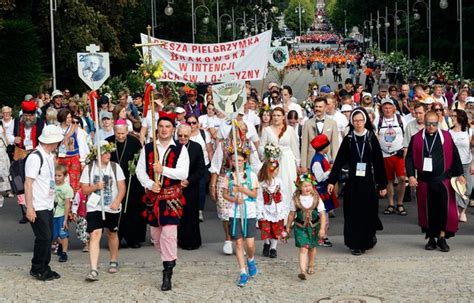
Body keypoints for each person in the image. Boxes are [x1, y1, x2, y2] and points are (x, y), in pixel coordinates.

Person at [136, 113, 189, 291]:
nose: (164, 130)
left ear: (173, 129)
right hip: (154, 197)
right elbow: (140, 171)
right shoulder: (148, 148)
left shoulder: (181, 149)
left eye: (168, 127)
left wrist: (163, 169)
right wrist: (150, 183)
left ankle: (167, 272)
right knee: (156, 237)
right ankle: (170, 258)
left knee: (169, 234)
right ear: (156, 128)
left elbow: (182, 173)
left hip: (172, 198)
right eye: (161, 126)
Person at [328, 108, 388, 255]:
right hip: (353, 182)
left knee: (367, 211)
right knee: (353, 212)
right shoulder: (349, 139)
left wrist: (382, 184)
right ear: (352, 122)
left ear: (365, 121)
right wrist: (332, 180)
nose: (358, 123)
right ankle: (355, 243)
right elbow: (339, 161)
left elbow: (379, 162)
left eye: (360, 120)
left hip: (368, 181)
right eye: (355, 121)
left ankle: (367, 239)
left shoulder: (371, 137)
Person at [405, 111, 465, 252]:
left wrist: (460, 173)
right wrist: (411, 176)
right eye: (428, 124)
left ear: (438, 122)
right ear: (424, 123)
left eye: (434, 123)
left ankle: (442, 238)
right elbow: (409, 158)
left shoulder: (446, 136)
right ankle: (431, 239)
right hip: (425, 181)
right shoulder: (417, 138)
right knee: (428, 211)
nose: (431, 126)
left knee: (444, 210)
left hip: (443, 180)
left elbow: (455, 155)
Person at [209, 121, 261, 255]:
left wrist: (255, 179)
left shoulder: (248, 145)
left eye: (244, 129)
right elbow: (216, 164)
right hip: (226, 178)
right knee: (226, 213)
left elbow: (255, 164)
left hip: (244, 180)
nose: (241, 132)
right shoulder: (224, 144)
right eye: (239, 129)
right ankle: (227, 240)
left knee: (241, 212)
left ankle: (240, 241)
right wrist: (213, 184)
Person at [80, 140, 126, 281]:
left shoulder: (115, 167)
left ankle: (113, 259)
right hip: (95, 206)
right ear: (98, 154)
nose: (108, 155)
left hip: (111, 206)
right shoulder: (89, 168)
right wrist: (95, 187)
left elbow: (122, 187)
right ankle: (94, 269)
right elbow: (84, 189)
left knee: (112, 233)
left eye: (109, 152)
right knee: (95, 234)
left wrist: (117, 201)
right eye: (105, 152)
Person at [25, 125, 64, 281]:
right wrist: (29, 208)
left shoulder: (48, 156)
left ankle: (44, 266)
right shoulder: (35, 157)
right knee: (44, 237)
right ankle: (38, 268)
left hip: (47, 203)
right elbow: (28, 183)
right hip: (37, 204)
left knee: (47, 237)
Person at [222, 151, 259, 287]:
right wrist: (234, 199)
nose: (237, 163)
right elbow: (225, 194)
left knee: (249, 244)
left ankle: (251, 259)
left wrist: (243, 190)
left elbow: (254, 194)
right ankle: (243, 272)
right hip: (234, 211)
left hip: (249, 211)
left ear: (244, 161)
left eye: (240, 160)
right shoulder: (228, 176)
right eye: (234, 161)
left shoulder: (251, 175)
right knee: (238, 243)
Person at [106, 119, 145, 248]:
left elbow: (140, 162)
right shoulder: (108, 142)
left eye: (123, 133)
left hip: (131, 182)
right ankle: (115, 238)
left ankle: (133, 238)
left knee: (132, 210)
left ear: (127, 131)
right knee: (115, 210)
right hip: (113, 181)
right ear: (114, 132)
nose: (121, 136)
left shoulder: (134, 142)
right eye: (118, 134)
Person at [259, 107, 300, 220]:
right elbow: (261, 146)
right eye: (274, 115)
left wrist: (298, 164)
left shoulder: (290, 129)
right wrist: (268, 152)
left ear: (283, 117)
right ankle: (274, 214)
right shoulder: (266, 130)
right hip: (272, 161)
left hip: (287, 161)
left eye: (278, 115)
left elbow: (295, 147)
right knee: (273, 185)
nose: (276, 118)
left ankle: (290, 216)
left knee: (288, 185)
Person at [286, 172, 326, 280]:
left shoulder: (317, 198)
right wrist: (288, 227)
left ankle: (311, 265)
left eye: (309, 185)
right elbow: (291, 214)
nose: (307, 188)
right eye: (305, 186)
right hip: (300, 226)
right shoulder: (296, 199)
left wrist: (322, 228)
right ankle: (302, 271)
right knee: (303, 248)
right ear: (300, 187)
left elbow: (322, 214)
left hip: (314, 226)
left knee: (312, 248)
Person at [374, 98, 408, 216]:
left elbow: (407, 135)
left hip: (398, 154)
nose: (387, 109)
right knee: (388, 180)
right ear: (382, 109)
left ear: (394, 108)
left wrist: (404, 149)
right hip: (384, 154)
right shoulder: (378, 120)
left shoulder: (400, 119)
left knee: (402, 178)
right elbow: (374, 135)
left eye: (389, 107)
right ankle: (391, 204)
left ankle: (400, 203)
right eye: (385, 107)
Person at [14, 100, 45, 224]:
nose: (28, 118)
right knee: (20, 183)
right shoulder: (17, 122)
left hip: (35, 154)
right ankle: (24, 211)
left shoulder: (41, 123)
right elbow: (10, 136)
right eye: (26, 115)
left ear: (34, 115)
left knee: (34, 182)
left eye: (30, 115)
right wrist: (13, 139)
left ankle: (35, 208)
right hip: (20, 153)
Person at [176, 124, 205, 249]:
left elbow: (200, 169)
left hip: (191, 186)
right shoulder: (173, 146)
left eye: (185, 136)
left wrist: (188, 180)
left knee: (190, 215)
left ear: (190, 135)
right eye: (180, 135)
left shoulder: (196, 147)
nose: (182, 138)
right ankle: (178, 240)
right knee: (177, 215)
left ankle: (191, 242)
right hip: (175, 186)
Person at [256, 145, 286, 258]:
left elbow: (283, 195)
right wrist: (259, 213)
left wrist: (284, 208)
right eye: (276, 170)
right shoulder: (261, 185)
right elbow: (259, 199)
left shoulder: (279, 182)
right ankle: (267, 243)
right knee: (267, 230)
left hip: (277, 209)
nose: (277, 172)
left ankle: (273, 247)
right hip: (266, 209)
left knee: (276, 230)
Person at [310, 134, 339, 247]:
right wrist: (331, 171)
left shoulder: (323, 156)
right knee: (322, 216)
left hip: (323, 190)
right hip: (320, 191)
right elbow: (319, 177)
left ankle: (323, 236)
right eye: (327, 145)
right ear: (324, 147)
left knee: (324, 215)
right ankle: (321, 237)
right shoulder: (317, 160)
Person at [186, 114, 213, 221]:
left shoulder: (204, 134)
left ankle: (199, 211)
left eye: (194, 122)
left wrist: (211, 166)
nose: (191, 125)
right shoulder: (183, 134)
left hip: (203, 165)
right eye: (189, 123)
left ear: (198, 124)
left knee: (201, 188)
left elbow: (210, 150)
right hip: (187, 166)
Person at [301, 97, 339, 170]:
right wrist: (303, 165)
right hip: (311, 161)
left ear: (325, 108)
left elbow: (334, 145)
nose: (317, 109)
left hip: (327, 161)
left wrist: (334, 163)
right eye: (316, 106)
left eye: (320, 107)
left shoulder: (332, 123)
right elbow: (304, 145)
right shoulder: (307, 123)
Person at [449, 110, 472, 222]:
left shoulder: (469, 131)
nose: (452, 118)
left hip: (467, 163)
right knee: (455, 188)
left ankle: (463, 210)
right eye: (451, 116)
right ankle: (455, 210)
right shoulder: (449, 132)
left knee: (467, 188)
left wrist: (473, 164)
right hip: (453, 164)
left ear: (461, 117)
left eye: (454, 116)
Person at [56, 109, 87, 193]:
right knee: (61, 179)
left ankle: (74, 201)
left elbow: (82, 144)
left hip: (74, 158)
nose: (69, 119)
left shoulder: (76, 129)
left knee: (75, 181)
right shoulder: (56, 130)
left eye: (70, 117)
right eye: (67, 117)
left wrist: (83, 161)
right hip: (61, 158)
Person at [52, 164, 73, 263]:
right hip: (52, 214)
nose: (56, 178)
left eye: (59, 175)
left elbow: (67, 204)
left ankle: (64, 252)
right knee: (54, 235)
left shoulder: (67, 188)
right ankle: (60, 244)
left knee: (63, 234)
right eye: (55, 175)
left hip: (61, 214)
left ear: (65, 176)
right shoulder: (51, 185)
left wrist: (65, 219)